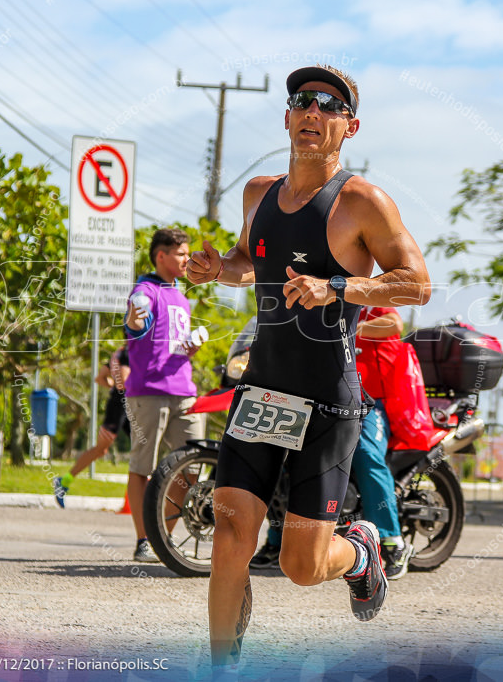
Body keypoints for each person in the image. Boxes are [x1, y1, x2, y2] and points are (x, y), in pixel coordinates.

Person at [186, 64, 431, 673]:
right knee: (231, 534)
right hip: (263, 388)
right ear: (288, 116)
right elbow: (249, 262)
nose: (312, 113)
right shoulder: (257, 195)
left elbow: (418, 285)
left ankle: (363, 549)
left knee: (300, 566)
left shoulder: (362, 202)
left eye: (328, 105)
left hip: (327, 397)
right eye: (302, 102)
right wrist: (218, 269)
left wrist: (339, 288)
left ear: (349, 126)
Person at [248, 307, 417, 580]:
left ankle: (390, 541)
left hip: (368, 402)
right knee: (282, 453)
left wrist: (350, 329)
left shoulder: (368, 301)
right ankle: (278, 537)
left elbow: (394, 324)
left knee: (364, 452)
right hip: (314, 397)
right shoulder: (313, 302)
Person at [123, 228, 205, 563]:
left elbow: (175, 344)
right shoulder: (145, 291)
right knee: (142, 467)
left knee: (192, 466)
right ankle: (144, 541)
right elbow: (136, 323)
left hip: (184, 392)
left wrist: (192, 348)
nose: (188, 259)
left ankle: (162, 539)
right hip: (149, 393)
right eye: (182, 253)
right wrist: (134, 317)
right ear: (161, 256)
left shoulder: (181, 296)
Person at [52, 343, 131, 508]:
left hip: (121, 404)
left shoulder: (118, 352)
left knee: (141, 448)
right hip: (121, 405)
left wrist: (112, 384)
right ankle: (64, 480)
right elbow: (123, 381)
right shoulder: (129, 352)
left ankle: (146, 494)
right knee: (102, 449)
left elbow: (100, 377)